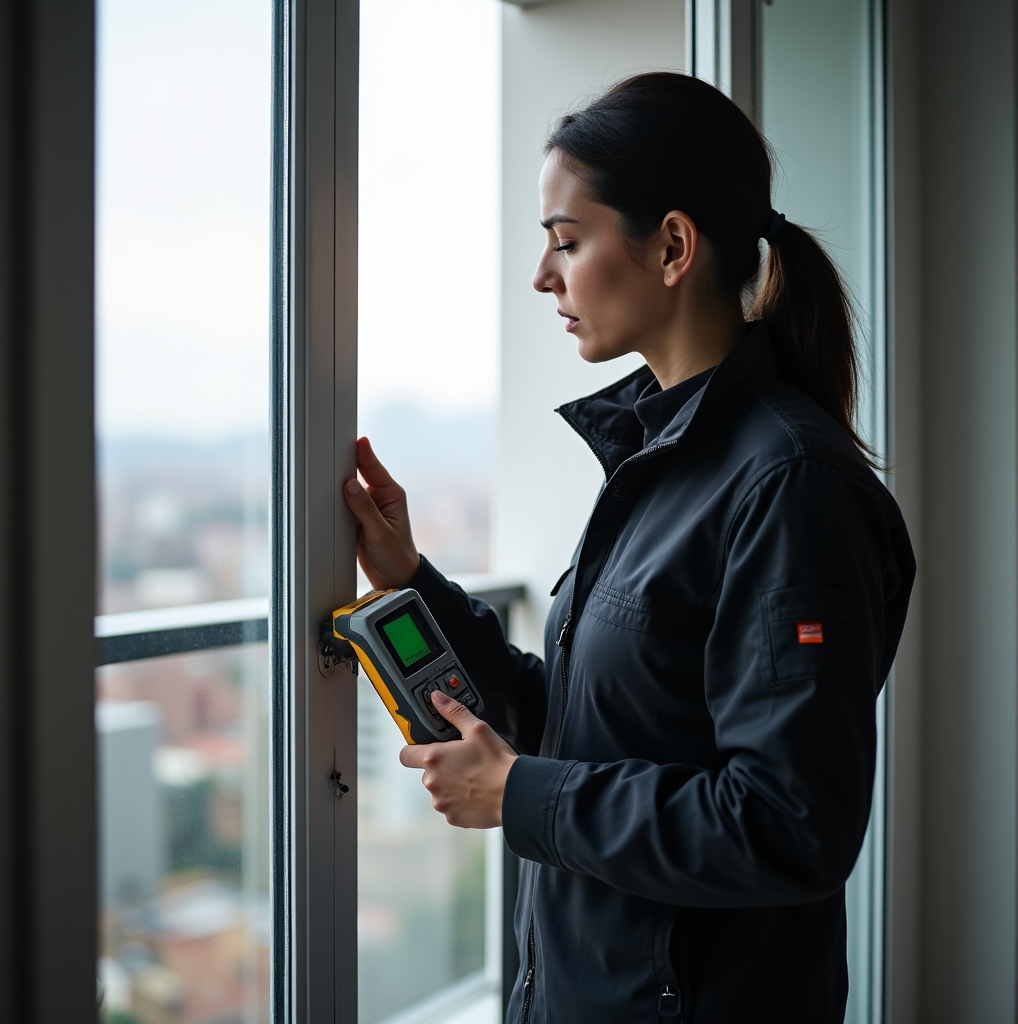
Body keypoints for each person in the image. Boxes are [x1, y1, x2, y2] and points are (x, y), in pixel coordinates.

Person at [343, 72, 915, 1024]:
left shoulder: (789, 487)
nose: (543, 276)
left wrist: (523, 796)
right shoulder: (661, 459)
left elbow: (787, 825)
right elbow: (575, 722)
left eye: (567, 242)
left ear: (674, 247)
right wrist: (412, 579)